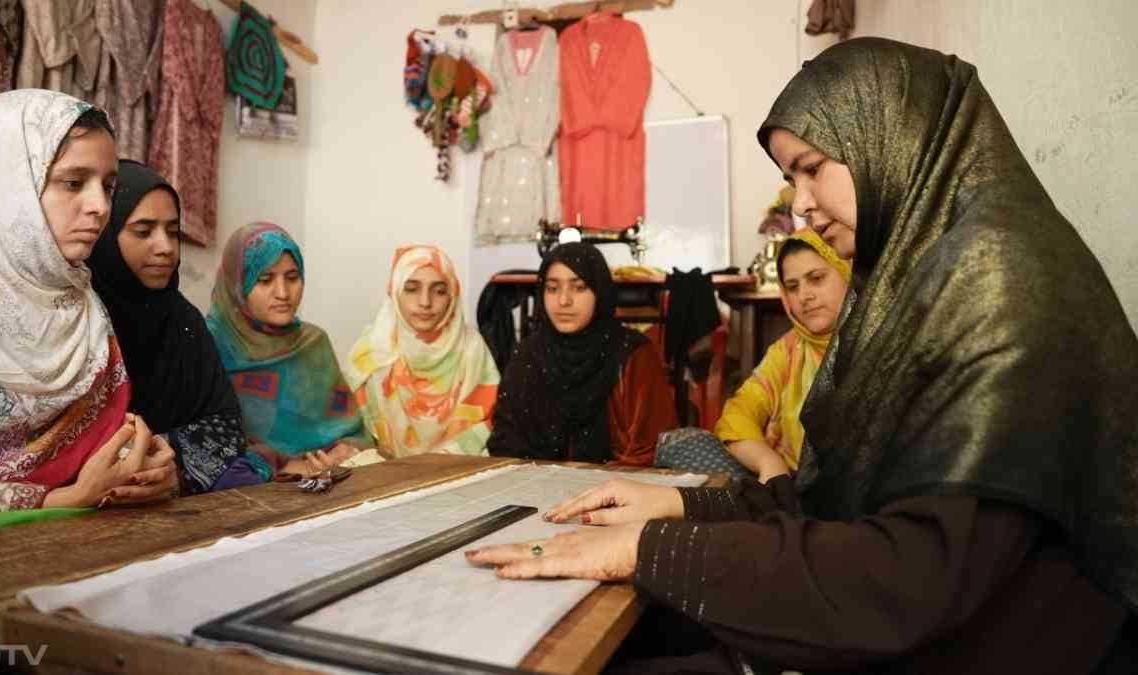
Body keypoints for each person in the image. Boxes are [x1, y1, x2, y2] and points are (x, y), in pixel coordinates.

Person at [467, 38, 1138, 673]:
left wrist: (650, 549)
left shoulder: (997, 272)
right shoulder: (921, 275)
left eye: (813, 167)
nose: (800, 204)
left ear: (894, 135)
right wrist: (679, 509)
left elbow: (911, 574)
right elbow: (840, 499)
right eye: (792, 177)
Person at [0, 90, 178, 535]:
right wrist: (62, 499)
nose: (100, 206)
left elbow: (106, 451)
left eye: (107, 186)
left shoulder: (83, 311)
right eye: (73, 183)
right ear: (4, 186)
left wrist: (146, 467)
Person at [86, 160, 264, 494]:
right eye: (143, 231)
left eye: (172, 231)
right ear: (104, 235)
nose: (166, 247)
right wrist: (131, 458)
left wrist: (169, 468)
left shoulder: (183, 321)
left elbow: (225, 425)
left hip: (174, 496)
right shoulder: (76, 323)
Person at [657, 229, 850, 482]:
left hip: (860, 493)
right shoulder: (789, 349)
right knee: (679, 444)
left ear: (848, 274)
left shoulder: (880, 343)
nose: (804, 296)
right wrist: (769, 462)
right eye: (792, 287)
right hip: (790, 482)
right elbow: (739, 413)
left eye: (816, 278)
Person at [206, 222, 371, 481]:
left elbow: (351, 429)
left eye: (292, 278)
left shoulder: (313, 343)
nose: (283, 293)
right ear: (237, 285)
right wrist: (287, 465)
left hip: (326, 482)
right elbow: (202, 448)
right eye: (265, 280)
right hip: (245, 494)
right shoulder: (209, 345)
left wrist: (343, 451)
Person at [487, 242, 677, 465]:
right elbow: (505, 445)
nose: (564, 301)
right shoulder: (528, 355)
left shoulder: (633, 355)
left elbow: (653, 451)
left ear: (600, 291)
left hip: (621, 491)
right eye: (552, 288)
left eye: (579, 287)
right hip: (533, 488)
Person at [341, 245, 500, 457]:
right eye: (412, 289)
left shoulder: (472, 348)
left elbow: (486, 423)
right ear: (395, 292)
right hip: (380, 474)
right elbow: (347, 429)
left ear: (453, 295)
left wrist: (439, 463)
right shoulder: (370, 350)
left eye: (439, 291)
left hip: (458, 471)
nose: (425, 302)